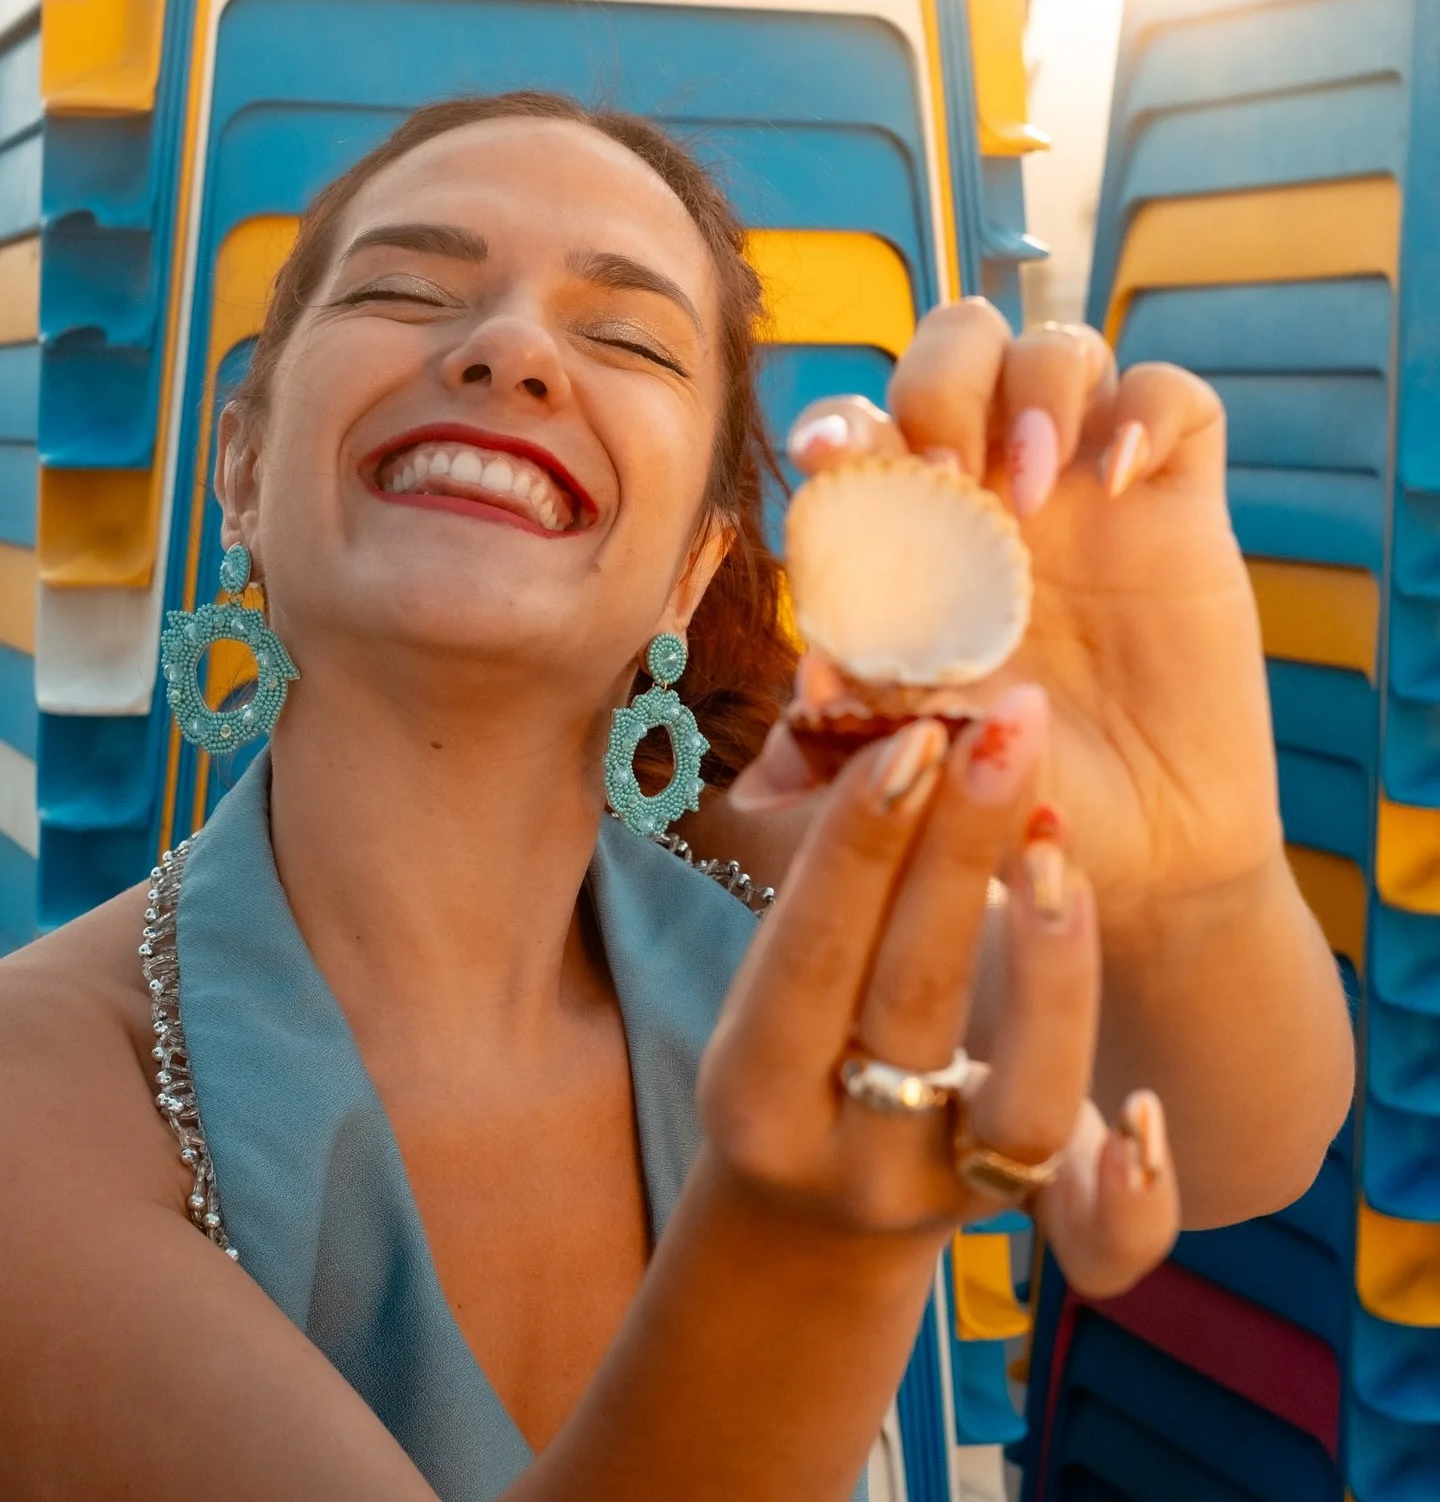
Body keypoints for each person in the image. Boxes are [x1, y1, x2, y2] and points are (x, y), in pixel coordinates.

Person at [0, 93, 1353, 1501]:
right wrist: (812, 1257)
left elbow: (1241, 1143)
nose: (512, 348)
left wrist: (1187, 872)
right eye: (406, 289)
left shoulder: (772, 911)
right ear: (241, 468)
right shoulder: (36, 1098)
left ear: (692, 573)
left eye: (629, 337)